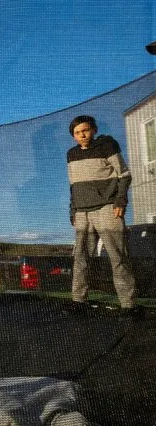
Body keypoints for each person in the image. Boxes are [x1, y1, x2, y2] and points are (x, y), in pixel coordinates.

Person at [67, 115, 138, 317]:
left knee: (118, 257)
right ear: (73, 136)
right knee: (80, 259)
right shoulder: (71, 154)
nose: (82, 135)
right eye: (77, 132)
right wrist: (73, 210)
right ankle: (79, 301)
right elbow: (74, 186)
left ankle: (128, 305)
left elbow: (124, 175)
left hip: (107, 209)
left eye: (85, 130)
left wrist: (120, 201)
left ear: (94, 130)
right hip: (82, 213)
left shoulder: (107, 146)